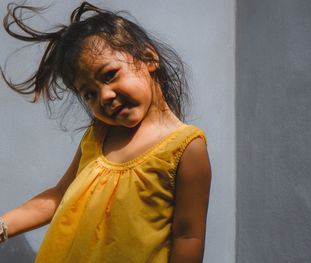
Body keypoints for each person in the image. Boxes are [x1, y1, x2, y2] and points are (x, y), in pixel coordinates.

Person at [0, 2, 211, 263]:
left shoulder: (186, 147)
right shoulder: (99, 135)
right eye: (89, 93)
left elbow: (188, 236)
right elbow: (59, 194)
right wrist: (2, 226)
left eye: (110, 75)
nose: (105, 96)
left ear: (148, 58)